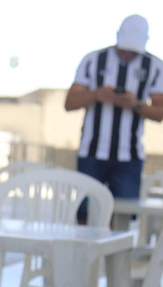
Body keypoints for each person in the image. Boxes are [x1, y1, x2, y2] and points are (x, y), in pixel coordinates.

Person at [65, 14, 163, 224]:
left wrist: (135, 104)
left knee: (122, 216)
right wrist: (95, 94)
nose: (127, 55)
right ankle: (85, 256)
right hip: (91, 152)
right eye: (124, 48)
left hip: (129, 155)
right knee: (84, 213)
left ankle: (114, 257)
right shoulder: (93, 60)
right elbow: (69, 103)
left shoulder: (154, 66)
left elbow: (160, 112)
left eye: (133, 51)